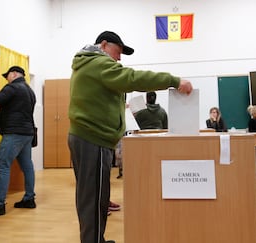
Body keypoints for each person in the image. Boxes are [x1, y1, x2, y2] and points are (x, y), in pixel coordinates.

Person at [67, 30, 192, 243]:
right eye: (118, 51)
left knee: (95, 198)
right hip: (92, 138)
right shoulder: (97, 63)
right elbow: (131, 78)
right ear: (104, 45)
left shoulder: (91, 65)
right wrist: (173, 80)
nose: (119, 58)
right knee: (93, 199)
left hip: (91, 137)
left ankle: (96, 239)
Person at [0, 66, 37, 218]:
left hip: (14, 133)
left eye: (7, 76)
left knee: (2, 165)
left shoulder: (14, 87)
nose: (7, 79)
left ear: (14, 74)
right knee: (27, 166)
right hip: (27, 133)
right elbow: (19, 110)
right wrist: (1, 118)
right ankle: (29, 198)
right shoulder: (29, 90)